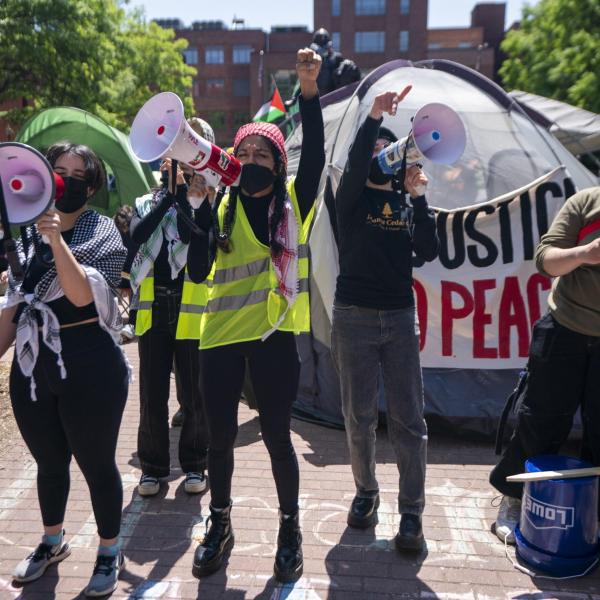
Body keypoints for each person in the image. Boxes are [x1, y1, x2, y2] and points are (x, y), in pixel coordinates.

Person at [187, 47, 324, 583]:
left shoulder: (292, 201)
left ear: (277, 164)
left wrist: (308, 89)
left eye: (263, 156)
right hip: (218, 339)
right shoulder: (216, 204)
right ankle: (220, 525)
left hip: (272, 337)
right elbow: (198, 272)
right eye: (243, 154)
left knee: (276, 438)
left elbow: (312, 153)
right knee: (219, 441)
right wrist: (195, 208)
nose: (252, 163)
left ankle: (289, 529)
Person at [0, 142, 129, 596]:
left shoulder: (103, 233)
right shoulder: (25, 235)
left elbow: (78, 294)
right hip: (34, 369)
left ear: (91, 187)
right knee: (50, 464)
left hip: (90, 368)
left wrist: (55, 241)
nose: (67, 180)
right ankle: (52, 541)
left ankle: (110, 550)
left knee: (96, 464)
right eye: (58, 171)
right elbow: (14, 311)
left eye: (78, 174)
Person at [331, 89, 439, 553]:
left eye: (388, 151)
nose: (380, 157)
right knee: (358, 419)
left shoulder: (404, 203)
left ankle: (411, 513)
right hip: (353, 317)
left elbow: (429, 251)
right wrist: (374, 116)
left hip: (398, 319)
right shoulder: (349, 199)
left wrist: (419, 199)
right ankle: (365, 493)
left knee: (409, 422)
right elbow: (356, 163)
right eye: (376, 149)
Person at [489, 186, 600, 544]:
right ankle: (514, 498)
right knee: (541, 420)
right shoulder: (586, 201)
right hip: (564, 328)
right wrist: (586, 253)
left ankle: (591, 516)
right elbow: (546, 259)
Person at [129, 118, 213, 498]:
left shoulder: (206, 203)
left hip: (191, 308)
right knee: (152, 393)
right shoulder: (147, 201)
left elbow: (199, 263)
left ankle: (195, 464)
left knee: (196, 393)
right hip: (153, 308)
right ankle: (153, 468)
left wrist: (188, 201)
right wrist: (167, 194)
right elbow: (135, 240)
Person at [310, 27, 360, 96]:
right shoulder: (310, 61)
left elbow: (347, 75)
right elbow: (303, 83)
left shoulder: (336, 58)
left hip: (332, 98)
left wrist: (349, 68)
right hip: (315, 99)